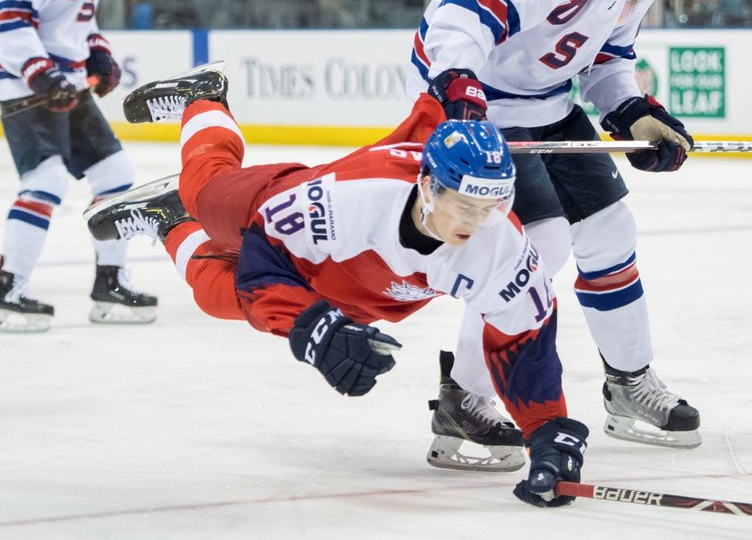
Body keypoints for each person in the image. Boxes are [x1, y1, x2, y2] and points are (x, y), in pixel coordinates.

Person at [84, 64, 589, 506]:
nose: (478, 222)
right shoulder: (348, 198)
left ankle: (167, 218)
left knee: (215, 296)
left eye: (491, 207)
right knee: (205, 193)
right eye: (465, 205)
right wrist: (313, 327)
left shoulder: (501, 246)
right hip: (284, 216)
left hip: (373, 288)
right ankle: (204, 97)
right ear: (428, 186)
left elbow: (523, 343)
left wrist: (546, 433)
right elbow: (265, 260)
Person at [407, 0, 701, 449]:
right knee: (537, 244)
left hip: (547, 103)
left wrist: (636, 114)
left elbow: (605, 60)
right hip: (474, 98)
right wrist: (460, 92)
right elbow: (458, 18)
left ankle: (628, 383)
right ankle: (463, 397)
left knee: (610, 230)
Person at [0, 0, 157, 333]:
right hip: (26, 87)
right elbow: (9, 21)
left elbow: (80, 22)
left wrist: (98, 53)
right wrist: (41, 74)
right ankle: (8, 290)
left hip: (65, 84)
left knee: (116, 172)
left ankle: (109, 283)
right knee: (45, 181)